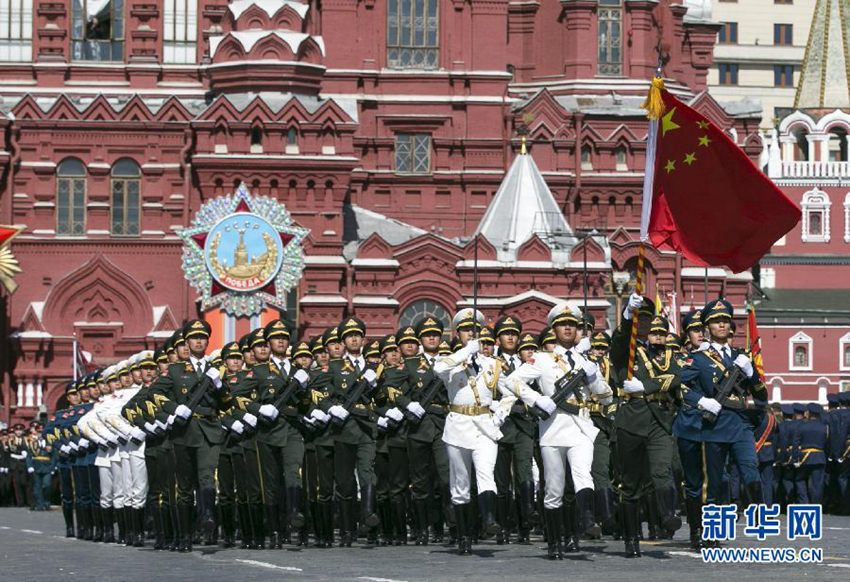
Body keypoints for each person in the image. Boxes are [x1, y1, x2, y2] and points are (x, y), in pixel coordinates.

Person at [501, 302, 611, 559]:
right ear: (554, 329)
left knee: (583, 474)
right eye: (563, 325)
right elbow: (511, 380)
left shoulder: (587, 360)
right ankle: (554, 541)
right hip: (552, 428)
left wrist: (594, 377)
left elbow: (606, 396)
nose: (568, 329)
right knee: (554, 489)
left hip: (582, 426)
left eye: (572, 325)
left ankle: (585, 520)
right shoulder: (541, 359)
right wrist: (537, 400)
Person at [676, 299, 767, 547]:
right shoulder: (699, 359)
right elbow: (677, 387)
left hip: (740, 422)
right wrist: (701, 401)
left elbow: (761, 396)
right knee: (713, 483)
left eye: (725, 320)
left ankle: (758, 512)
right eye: (716, 321)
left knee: (750, 468)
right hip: (713, 425)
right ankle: (707, 531)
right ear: (708, 327)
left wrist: (752, 373)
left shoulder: (741, 356)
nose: (722, 325)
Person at [434, 308, 516, 556]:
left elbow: (511, 389)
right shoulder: (449, 361)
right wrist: (465, 353)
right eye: (466, 330)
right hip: (458, 423)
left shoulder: (492, 364)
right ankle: (464, 535)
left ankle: (489, 519)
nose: (471, 333)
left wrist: (502, 410)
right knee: (460, 485)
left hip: (484, 425)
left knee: (485, 474)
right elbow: (438, 370)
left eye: (475, 330)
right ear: (457, 333)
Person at [151, 319, 231, 552]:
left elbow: (227, 401)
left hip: (209, 429)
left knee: (207, 477)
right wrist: (174, 409)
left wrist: (219, 385)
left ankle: (207, 514)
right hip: (184, 432)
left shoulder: (214, 369)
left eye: (202, 338)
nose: (198, 341)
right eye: (194, 338)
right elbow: (156, 395)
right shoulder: (175, 371)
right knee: (184, 486)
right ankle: (184, 535)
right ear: (186, 342)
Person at [610, 308, 683, 558]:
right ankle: (631, 538)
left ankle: (667, 514)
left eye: (647, 318)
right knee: (630, 485)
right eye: (639, 318)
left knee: (662, 470)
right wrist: (627, 318)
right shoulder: (626, 351)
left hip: (660, 421)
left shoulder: (668, 353)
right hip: (632, 421)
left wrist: (646, 386)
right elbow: (618, 342)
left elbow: (677, 376)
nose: (644, 323)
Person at [396, 316, 452, 545]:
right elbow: (392, 389)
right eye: (428, 335)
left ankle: (446, 527)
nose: (432, 338)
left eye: (436, 334)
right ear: (420, 340)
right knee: (420, 482)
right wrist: (407, 404)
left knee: (445, 477)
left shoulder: (450, 362)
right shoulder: (409, 365)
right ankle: (421, 529)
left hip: (443, 425)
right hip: (418, 428)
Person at [492, 315, 536, 544]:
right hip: (500, 426)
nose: (510, 337)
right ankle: (503, 526)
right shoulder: (489, 362)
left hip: (523, 426)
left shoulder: (528, 364)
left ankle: (525, 524)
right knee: (501, 479)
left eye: (514, 334)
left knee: (524, 474)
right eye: (505, 334)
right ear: (498, 338)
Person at [372, 334, 411, 545]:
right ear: (383, 356)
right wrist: (381, 415)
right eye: (389, 351)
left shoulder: (407, 374)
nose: (394, 354)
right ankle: (386, 532)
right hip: (381, 437)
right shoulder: (376, 376)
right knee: (382, 489)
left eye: (396, 350)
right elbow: (370, 401)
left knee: (399, 487)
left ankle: (400, 532)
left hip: (400, 435)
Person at [793, 403, 828, 504]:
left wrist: (795, 459)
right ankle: (816, 505)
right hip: (819, 457)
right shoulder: (825, 427)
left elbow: (795, 443)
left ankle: (804, 503)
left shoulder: (802, 426)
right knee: (817, 484)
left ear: (809, 413)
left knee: (800, 480)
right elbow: (827, 442)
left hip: (805, 457)